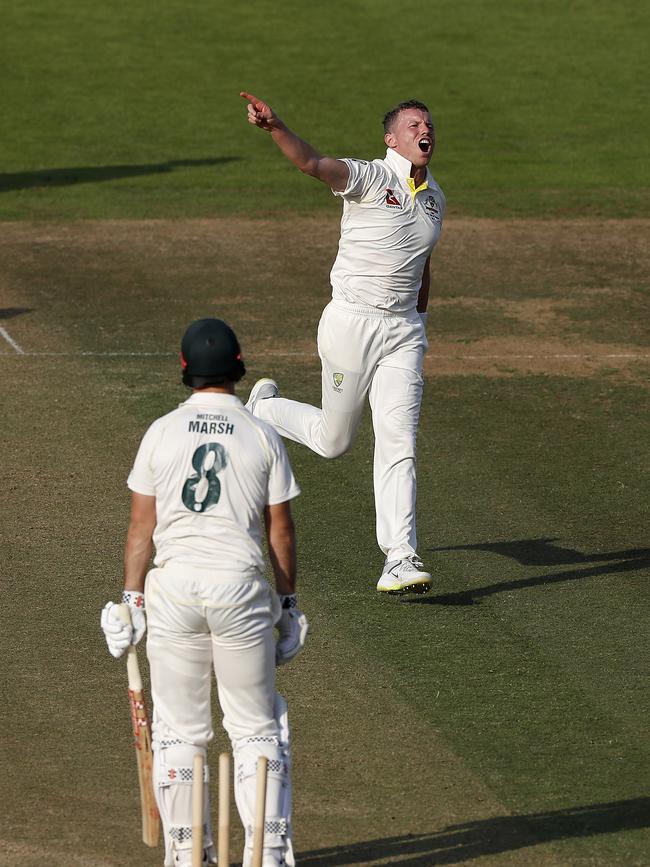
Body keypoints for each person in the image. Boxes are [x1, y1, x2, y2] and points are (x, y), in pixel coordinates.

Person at [100, 318, 308, 867]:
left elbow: (140, 528)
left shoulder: (161, 431)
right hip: (239, 590)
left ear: (185, 370)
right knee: (257, 726)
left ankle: (188, 854)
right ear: (239, 368)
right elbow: (279, 529)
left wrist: (132, 599)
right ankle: (268, 855)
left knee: (181, 732)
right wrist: (287, 605)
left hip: (173, 592)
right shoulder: (261, 433)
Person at [240, 92, 446, 594]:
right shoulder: (372, 177)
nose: (426, 131)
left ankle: (399, 555)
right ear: (392, 138)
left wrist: (418, 317)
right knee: (334, 442)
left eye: (430, 125)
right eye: (415, 124)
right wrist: (276, 127)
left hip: (403, 335)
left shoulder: (436, 197)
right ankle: (265, 410)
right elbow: (313, 163)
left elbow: (421, 261)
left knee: (399, 440)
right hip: (351, 326)